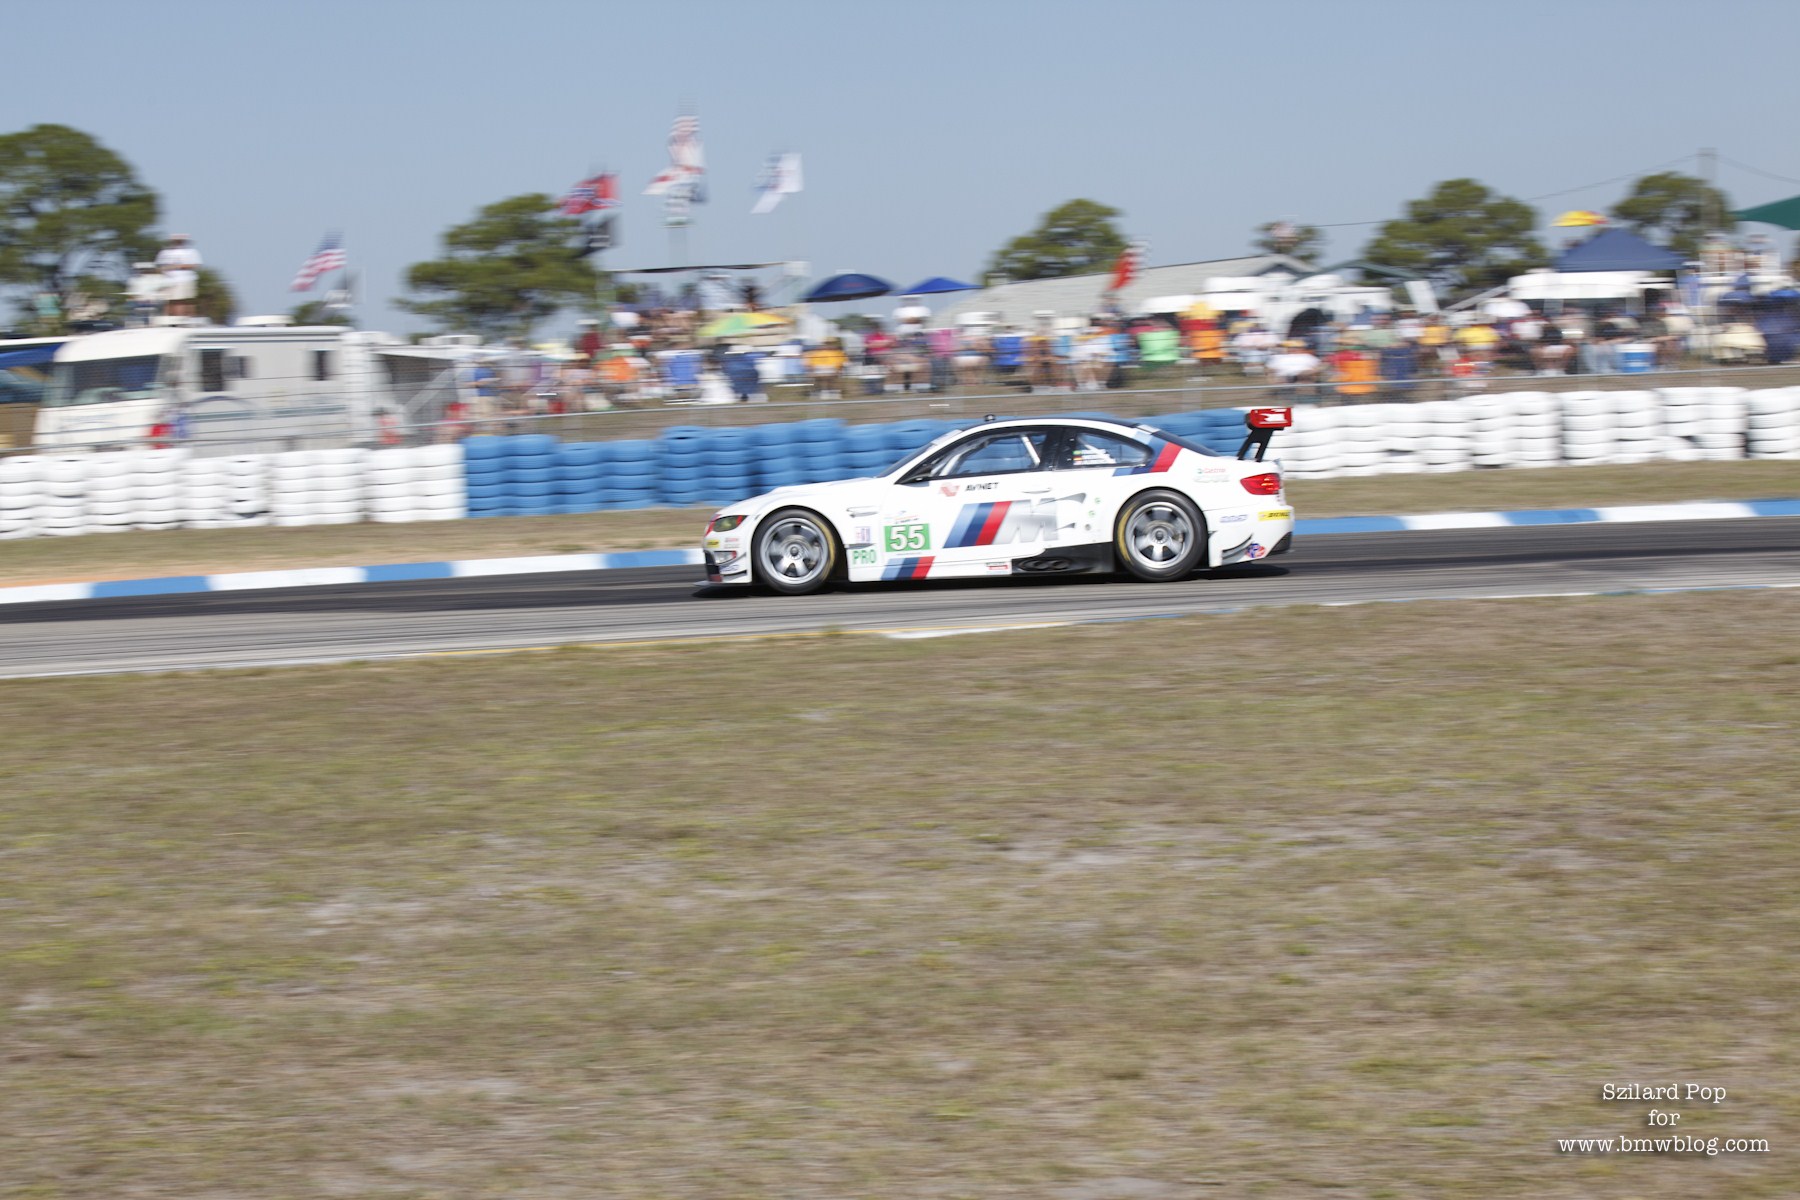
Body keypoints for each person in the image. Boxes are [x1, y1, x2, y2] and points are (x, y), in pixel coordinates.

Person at [154, 234, 202, 318]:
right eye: (176, 241)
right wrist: (163, 271)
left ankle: (182, 318)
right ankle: (169, 318)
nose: (178, 243)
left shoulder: (191, 251)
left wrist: (178, 266)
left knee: (181, 300)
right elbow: (158, 266)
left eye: (180, 241)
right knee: (168, 300)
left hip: (185, 279)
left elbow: (195, 265)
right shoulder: (164, 252)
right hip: (167, 280)